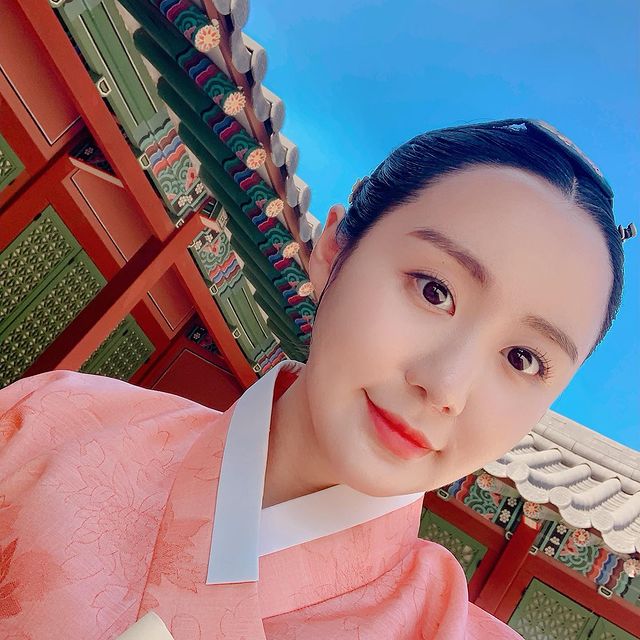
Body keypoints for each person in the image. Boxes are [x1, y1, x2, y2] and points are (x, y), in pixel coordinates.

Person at [0, 119, 635, 639]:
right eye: (434, 290)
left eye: (523, 359)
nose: (445, 386)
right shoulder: (49, 421)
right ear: (334, 250)